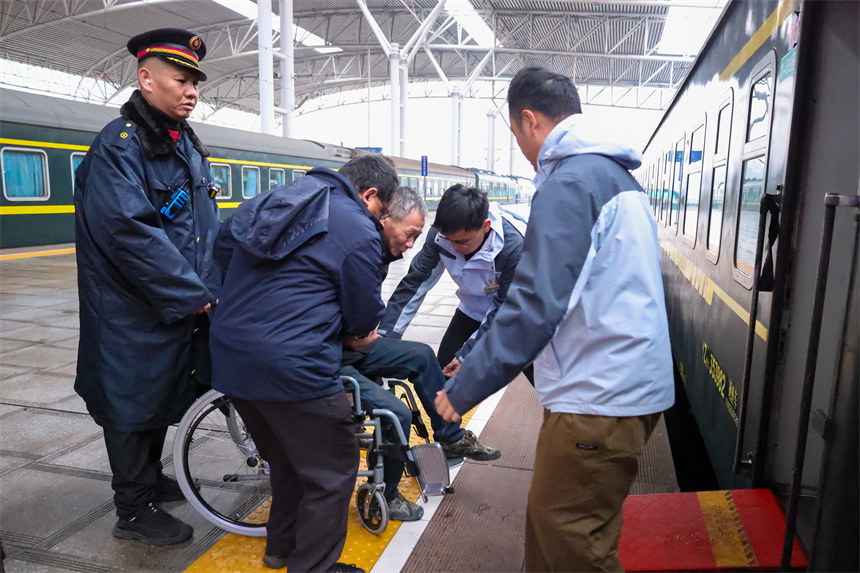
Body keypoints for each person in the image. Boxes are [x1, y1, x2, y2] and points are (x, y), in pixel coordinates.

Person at [435, 66, 675, 572]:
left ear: (529, 120)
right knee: (550, 523)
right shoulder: (611, 176)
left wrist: (464, 388)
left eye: (515, 133)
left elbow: (536, 302)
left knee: (572, 538)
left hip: (599, 395)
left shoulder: (571, 183)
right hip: (609, 386)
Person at [209, 154, 399, 573]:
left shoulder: (272, 199)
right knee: (333, 470)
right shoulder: (356, 226)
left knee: (289, 460)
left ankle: (281, 550)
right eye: (382, 212)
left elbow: (221, 249)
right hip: (295, 366)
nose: (381, 221)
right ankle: (313, 568)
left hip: (231, 359)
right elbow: (364, 316)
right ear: (369, 195)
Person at [73, 28, 220, 546]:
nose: (191, 91)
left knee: (158, 395)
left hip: (171, 308)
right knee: (131, 403)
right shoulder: (120, 147)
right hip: (131, 312)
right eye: (181, 79)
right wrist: (194, 293)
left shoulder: (183, 144)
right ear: (146, 78)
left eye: (195, 82)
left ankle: (149, 479)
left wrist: (217, 283)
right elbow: (129, 233)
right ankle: (132, 511)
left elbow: (203, 228)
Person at [341, 187, 501, 523]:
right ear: (385, 217)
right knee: (395, 412)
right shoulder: (356, 248)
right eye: (410, 234)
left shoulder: (375, 248)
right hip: (329, 355)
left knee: (423, 356)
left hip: (350, 345)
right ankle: (383, 495)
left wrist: (381, 340)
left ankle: (452, 437)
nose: (413, 244)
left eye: (418, 235)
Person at [379, 184, 532, 383]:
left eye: (462, 242)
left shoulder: (514, 247)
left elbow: (505, 309)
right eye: (449, 239)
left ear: (486, 226)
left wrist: (467, 354)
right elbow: (415, 283)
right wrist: (386, 337)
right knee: (442, 373)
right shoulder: (440, 237)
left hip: (523, 315)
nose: (453, 247)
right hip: (473, 310)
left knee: (548, 383)